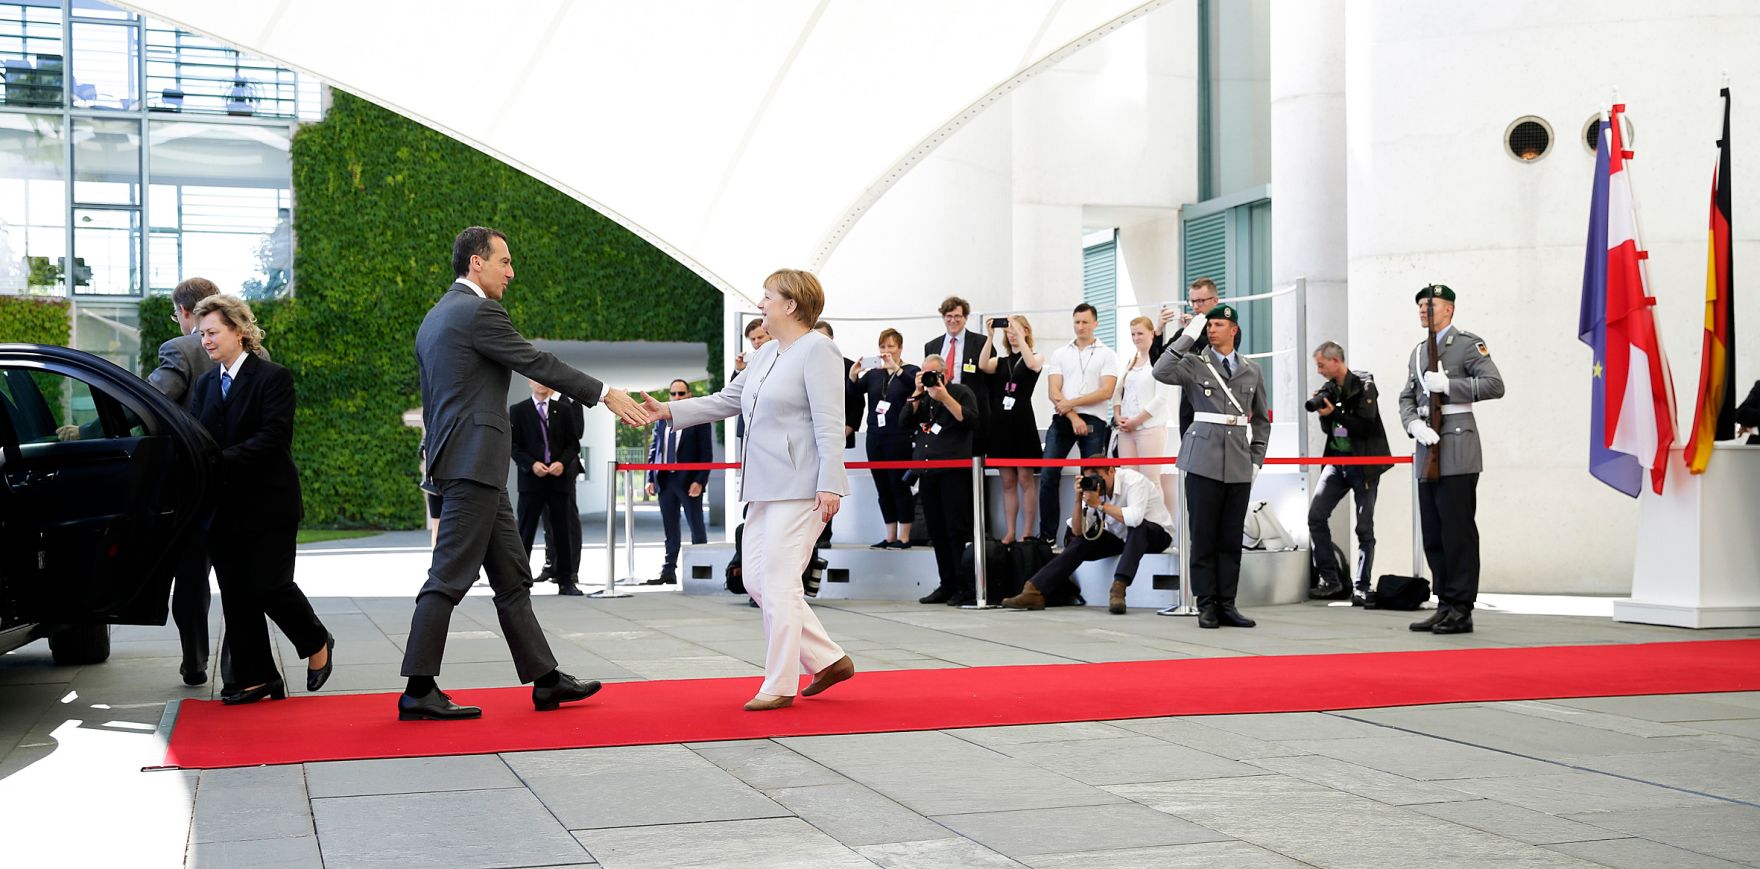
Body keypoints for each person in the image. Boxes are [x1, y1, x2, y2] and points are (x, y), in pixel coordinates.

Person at [399, 227, 649, 721]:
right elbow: (535, 361)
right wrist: (604, 393)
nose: (511, 272)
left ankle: (547, 681)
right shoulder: (477, 311)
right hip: (473, 464)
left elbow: (436, 400)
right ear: (476, 263)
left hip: (469, 462)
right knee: (448, 577)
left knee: (512, 577)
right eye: (505, 262)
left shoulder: (436, 316)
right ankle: (419, 688)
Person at [642, 268, 853, 711]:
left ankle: (779, 683)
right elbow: (726, 400)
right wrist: (668, 410)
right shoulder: (765, 354)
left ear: (790, 305)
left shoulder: (819, 350)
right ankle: (828, 659)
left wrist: (831, 483)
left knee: (778, 579)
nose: (761, 304)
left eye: (768, 297)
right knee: (755, 578)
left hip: (802, 485)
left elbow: (830, 422)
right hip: (763, 484)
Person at [186, 294, 333, 704]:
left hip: (270, 505)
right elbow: (200, 437)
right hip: (224, 507)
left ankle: (317, 640)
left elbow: (272, 439)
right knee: (235, 594)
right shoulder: (204, 384)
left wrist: (219, 461)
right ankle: (257, 678)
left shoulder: (273, 377)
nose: (207, 341)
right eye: (202, 335)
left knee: (270, 585)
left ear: (238, 331)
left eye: (213, 332)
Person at [1152, 303, 1269, 629]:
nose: (1212, 329)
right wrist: (1188, 336)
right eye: (1210, 325)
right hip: (1202, 459)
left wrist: (1256, 459)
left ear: (1234, 330)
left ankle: (1227, 604)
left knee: (1230, 538)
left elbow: (1260, 420)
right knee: (1203, 536)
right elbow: (1160, 371)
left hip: (1238, 462)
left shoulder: (1251, 370)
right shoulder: (1193, 364)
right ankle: (1206, 604)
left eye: (1218, 325)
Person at [1399, 284, 1504, 635]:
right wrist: (1412, 423)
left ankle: (1461, 606)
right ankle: (1444, 601)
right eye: (1420, 306)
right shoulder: (1417, 352)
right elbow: (1407, 396)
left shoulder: (1465, 345)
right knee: (1434, 531)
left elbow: (1494, 384)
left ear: (1450, 310)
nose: (1423, 310)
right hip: (1426, 446)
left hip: (1458, 447)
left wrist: (1450, 385)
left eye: (1431, 305)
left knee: (1457, 531)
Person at [145, 276, 222, 687]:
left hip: (193, 485)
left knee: (191, 579)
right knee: (242, 575)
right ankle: (240, 666)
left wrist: (82, 432)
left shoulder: (181, 348)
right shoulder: (253, 347)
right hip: (237, 479)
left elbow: (148, 402)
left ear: (185, 312)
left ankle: (195, 660)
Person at [1001, 463, 1173, 614]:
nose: (1096, 482)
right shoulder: (1092, 490)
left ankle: (1118, 589)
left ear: (1111, 471)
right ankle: (1034, 590)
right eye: (1091, 478)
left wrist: (1099, 504)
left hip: (1156, 536)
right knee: (1085, 539)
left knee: (1138, 527)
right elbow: (1077, 530)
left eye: (1099, 477)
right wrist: (1078, 501)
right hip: (1122, 538)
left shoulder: (1134, 481)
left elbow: (1134, 519)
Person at [1306, 341, 1391, 605]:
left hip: (1363, 463)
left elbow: (1365, 425)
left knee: (1364, 527)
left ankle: (1361, 586)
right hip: (1336, 461)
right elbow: (1327, 429)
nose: (1319, 370)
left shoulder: (1364, 384)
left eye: (1321, 365)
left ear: (1335, 361)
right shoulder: (1329, 389)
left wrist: (1337, 413)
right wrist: (1325, 413)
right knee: (1316, 516)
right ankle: (1331, 581)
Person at [1036, 303, 1119, 544]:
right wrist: (1073, 415)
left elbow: (1106, 391)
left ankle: (1091, 530)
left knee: (1093, 478)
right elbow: (1053, 391)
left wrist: (1072, 403)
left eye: (1084, 322)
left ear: (1095, 323)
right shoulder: (1060, 353)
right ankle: (1048, 536)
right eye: (1076, 322)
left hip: (1094, 420)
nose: (1080, 326)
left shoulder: (1107, 354)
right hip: (1064, 418)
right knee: (1048, 474)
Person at [910, 354, 981, 605]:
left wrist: (945, 397)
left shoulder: (960, 392)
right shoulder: (923, 397)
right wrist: (917, 393)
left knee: (955, 531)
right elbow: (903, 421)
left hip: (954, 473)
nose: (931, 379)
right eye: (925, 374)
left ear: (946, 373)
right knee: (937, 532)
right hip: (928, 473)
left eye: (934, 374)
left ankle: (964, 586)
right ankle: (947, 583)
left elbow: (970, 421)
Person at [510, 379, 583, 594]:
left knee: (562, 531)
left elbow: (573, 443)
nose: (541, 383)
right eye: (535, 379)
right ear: (529, 382)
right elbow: (513, 445)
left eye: (544, 380)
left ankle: (566, 581)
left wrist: (562, 462)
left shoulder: (563, 409)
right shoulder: (518, 410)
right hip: (531, 480)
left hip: (558, 479)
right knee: (525, 532)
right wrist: (530, 464)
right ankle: (518, 583)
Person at [850, 328, 920, 548]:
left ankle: (905, 536)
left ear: (900, 348)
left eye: (891, 346)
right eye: (882, 347)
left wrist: (896, 369)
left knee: (899, 485)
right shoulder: (874, 373)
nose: (886, 351)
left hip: (899, 436)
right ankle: (890, 535)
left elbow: (915, 388)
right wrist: (853, 374)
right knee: (882, 487)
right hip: (875, 436)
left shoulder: (909, 371)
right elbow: (854, 392)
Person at [977, 315, 1043, 544]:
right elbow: (983, 365)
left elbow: (1033, 365)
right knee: (1007, 481)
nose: (1011, 333)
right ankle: (1010, 531)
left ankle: (1027, 530)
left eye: (1015, 329)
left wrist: (1021, 336)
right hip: (1001, 423)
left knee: (1026, 478)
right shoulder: (1001, 361)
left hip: (1022, 421)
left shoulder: (1035, 356)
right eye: (1009, 330)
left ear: (1026, 330)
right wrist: (990, 337)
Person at [644, 378, 712, 585]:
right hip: (665, 479)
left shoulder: (698, 419)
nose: (677, 397)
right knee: (670, 528)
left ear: (689, 395)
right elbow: (655, 449)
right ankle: (668, 571)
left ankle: (700, 572)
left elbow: (706, 453)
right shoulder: (662, 419)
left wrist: (700, 481)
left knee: (696, 526)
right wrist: (650, 477)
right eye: (673, 394)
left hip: (689, 480)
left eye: (681, 394)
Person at [1112, 315, 1176, 512]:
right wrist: (1117, 416)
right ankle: (1133, 527)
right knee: (1128, 480)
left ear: (1152, 333)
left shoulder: (1160, 361)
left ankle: (1157, 526)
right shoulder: (1131, 361)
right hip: (1126, 431)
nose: (1136, 337)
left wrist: (1136, 421)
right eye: (1133, 334)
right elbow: (1118, 392)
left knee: (1151, 480)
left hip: (1150, 428)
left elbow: (1161, 399)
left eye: (1140, 333)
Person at [1149, 278, 1221, 436]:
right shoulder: (1186, 333)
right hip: (1189, 406)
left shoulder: (1226, 328)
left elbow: (1219, 355)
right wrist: (1159, 329)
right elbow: (1157, 362)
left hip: (1216, 405)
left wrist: (1195, 332)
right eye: (1192, 301)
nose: (1196, 307)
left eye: (1201, 301)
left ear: (1215, 300)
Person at [813, 320, 862, 546]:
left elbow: (857, 404)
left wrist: (843, 432)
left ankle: (824, 535)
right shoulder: (805, 363)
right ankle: (811, 533)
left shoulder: (848, 366)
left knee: (829, 487)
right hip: (808, 437)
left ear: (832, 340)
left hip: (834, 437)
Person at [925, 296, 990, 452]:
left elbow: (990, 382)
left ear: (965, 318)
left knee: (973, 461)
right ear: (943, 318)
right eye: (949, 316)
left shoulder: (981, 343)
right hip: (941, 413)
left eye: (957, 316)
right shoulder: (932, 345)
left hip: (970, 409)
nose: (953, 320)